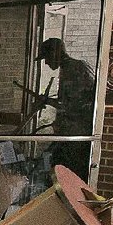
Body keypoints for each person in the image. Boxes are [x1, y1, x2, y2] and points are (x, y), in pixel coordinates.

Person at [36, 38, 95, 181]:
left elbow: (72, 107)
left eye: (47, 58)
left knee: (64, 175)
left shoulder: (72, 70)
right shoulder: (71, 68)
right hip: (73, 134)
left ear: (56, 53)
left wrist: (48, 101)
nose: (47, 62)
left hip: (77, 137)